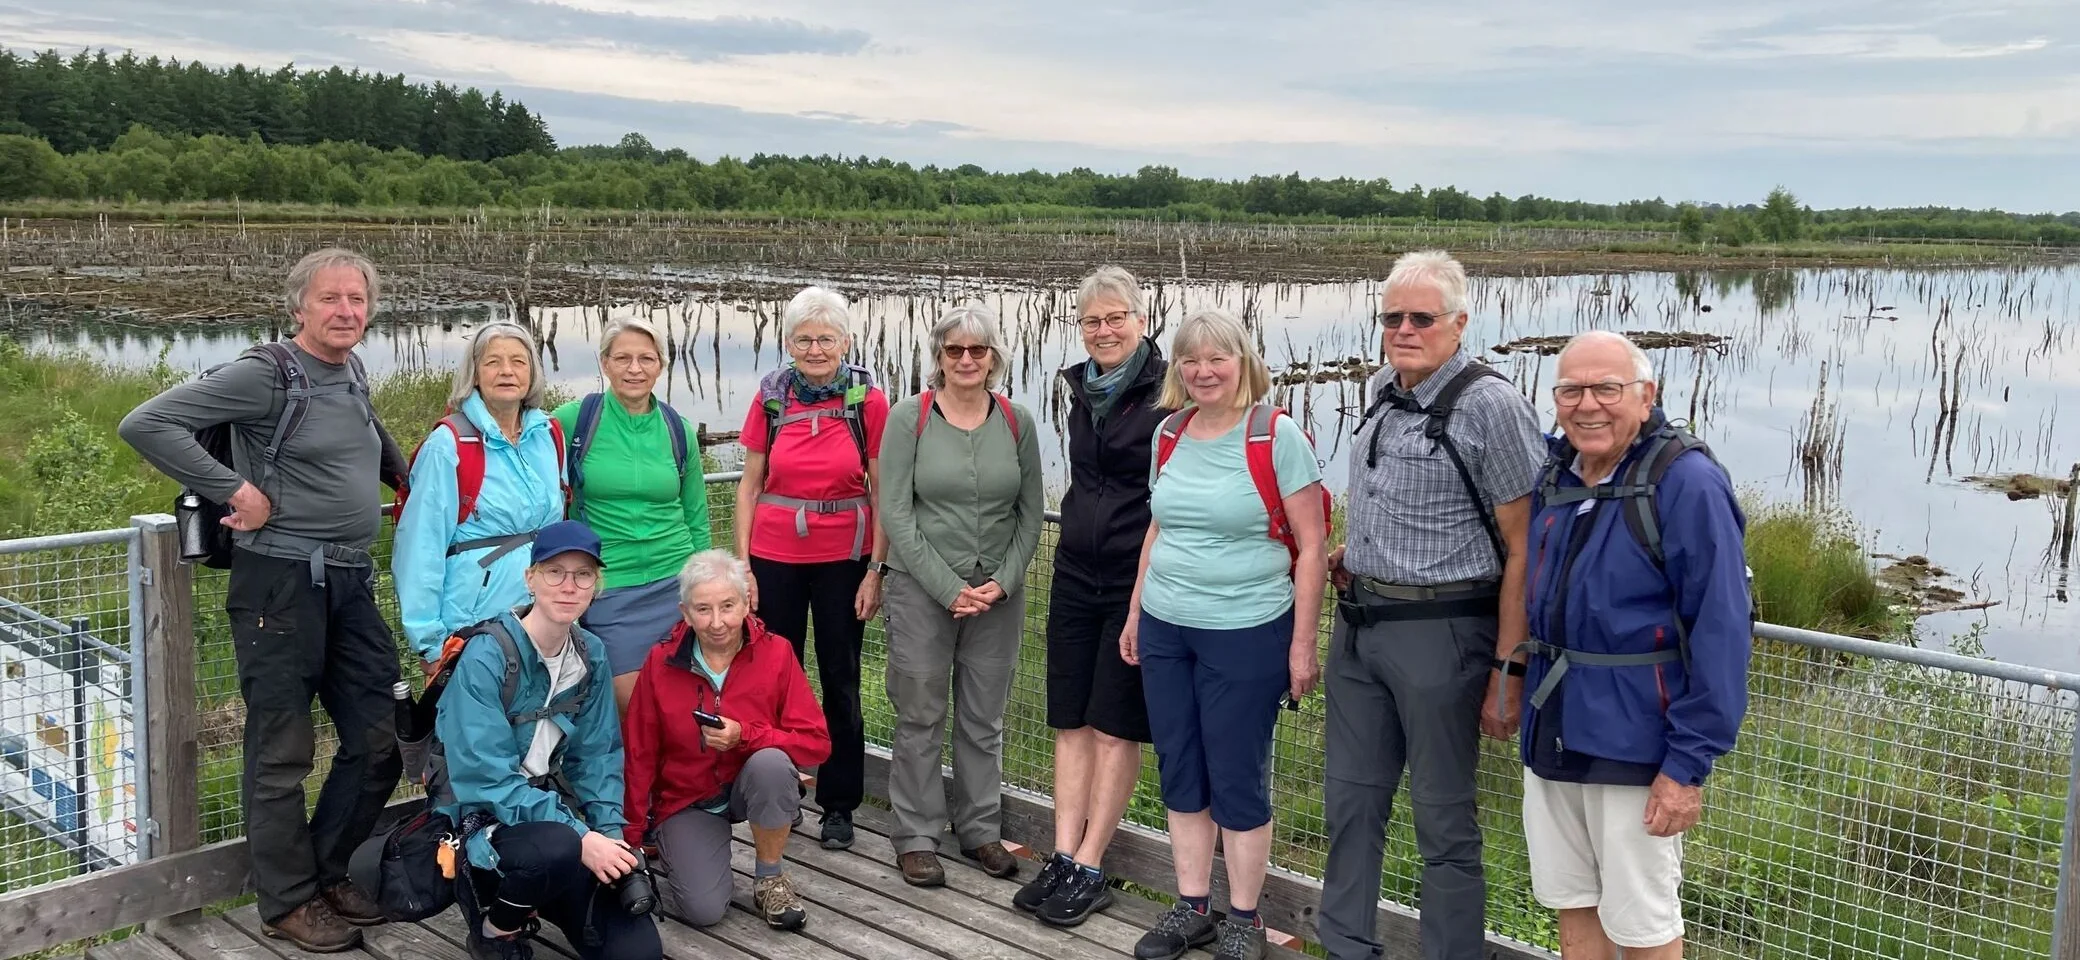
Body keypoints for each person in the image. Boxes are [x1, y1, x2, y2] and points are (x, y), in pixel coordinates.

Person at [119, 248, 407, 952]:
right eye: (330, 299)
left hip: (347, 578)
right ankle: (285, 902)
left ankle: (328, 872)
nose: (346, 311)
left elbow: (363, 427)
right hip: (277, 583)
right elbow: (146, 423)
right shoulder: (264, 374)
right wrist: (234, 490)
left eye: (357, 300)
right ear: (298, 307)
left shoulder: (352, 368)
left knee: (381, 737)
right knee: (282, 749)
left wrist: (406, 475)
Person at [1318, 250, 1547, 960]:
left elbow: (1525, 548)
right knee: (1351, 805)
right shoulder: (1385, 386)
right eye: (1393, 317)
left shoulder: (1493, 406)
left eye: (1422, 317)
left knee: (1443, 820)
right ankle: (1347, 948)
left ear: (1460, 321)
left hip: (1444, 636)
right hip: (1360, 630)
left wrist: (1508, 671)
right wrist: (1356, 553)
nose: (1404, 329)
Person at [1509, 331, 1749, 960]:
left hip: (1638, 740)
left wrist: (1688, 764)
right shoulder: (1555, 472)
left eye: (1606, 389)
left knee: (1643, 923)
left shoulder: (1686, 482)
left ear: (1647, 396)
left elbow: (1721, 629)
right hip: (1554, 726)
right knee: (1573, 905)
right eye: (1571, 390)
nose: (1588, 404)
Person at [1119, 307, 1326, 960]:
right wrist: (1134, 613)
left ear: (1243, 363)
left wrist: (1302, 643)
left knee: (1236, 775)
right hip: (1165, 625)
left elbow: (1315, 546)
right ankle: (1191, 907)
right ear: (1177, 369)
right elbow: (1159, 528)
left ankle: (1244, 917)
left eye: (1217, 358)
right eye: (1191, 359)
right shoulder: (1170, 434)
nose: (1204, 370)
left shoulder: (1275, 435)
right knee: (1179, 766)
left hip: (1246, 630)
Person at [1015, 265, 1169, 926]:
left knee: (1114, 724)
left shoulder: (1169, 389)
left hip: (1139, 578)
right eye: (1092, 321)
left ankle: (1092, 862)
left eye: (1116, 318)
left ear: (1142, 319)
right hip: (1076, 569)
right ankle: (1062, 850)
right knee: (1069, 719)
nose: (1103, 331)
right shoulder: (1083, 390)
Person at [435, 520, 661, 960]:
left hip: (554, 818)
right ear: (530, 578)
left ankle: (549, 893)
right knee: (556, 847)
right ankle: (495, 928)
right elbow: (487, 780)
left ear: (596, 585)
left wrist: (610, 840)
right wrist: (581, 836)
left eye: (582, 575)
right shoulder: (488, 655)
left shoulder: (590, 653)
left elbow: (598, 755)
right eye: (554, 571)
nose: (568, 586)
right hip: (484, 819)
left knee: (638, 952)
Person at [877, 302, 1043, 888]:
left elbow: (1031, 514)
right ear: (939, 358)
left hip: (998, 595)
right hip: (922, 591)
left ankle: (980, 830)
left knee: (983, 717)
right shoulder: (908, 417)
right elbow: (894, 511)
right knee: (920, 713)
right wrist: (948, 588)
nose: (967, 359)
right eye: (955, 350)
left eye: (979, 350)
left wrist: (1006, 579)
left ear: (994, 357)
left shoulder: (1018, 421)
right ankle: (917, 834)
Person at [732, 286, 889, 853]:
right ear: (789, 342)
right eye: (804, 339)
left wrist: (877, 569)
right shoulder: (772, 397)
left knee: (841, 680)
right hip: (775, 557)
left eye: (826, 338)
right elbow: (749, 486)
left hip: (844, 560)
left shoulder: (866, 400)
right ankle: (780, 793)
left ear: (846, 341)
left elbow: (883, 488)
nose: (816, 349)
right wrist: (743, 567)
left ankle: (839, 803)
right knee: (776, 678)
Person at [622, 550, 832, 932]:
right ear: (685, 613)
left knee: (772, 762)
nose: (717, 622)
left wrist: (744, 736)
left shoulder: (777, 653)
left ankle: (770, 878)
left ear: (747, 603)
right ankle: (675, 847)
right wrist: (631, 838)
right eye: (703, 609)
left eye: (728, 606)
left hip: (750, 783)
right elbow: (639, 751)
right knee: (704, 910)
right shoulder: (660, 662)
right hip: (687, 797)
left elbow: (816, 743)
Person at [552, 317, 712, 712]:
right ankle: (630, 776)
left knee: (685, 701)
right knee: (631, 704)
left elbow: (696, 517)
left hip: (676, 582)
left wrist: (704, 586)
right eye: (622, 358)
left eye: (646, 358)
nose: (635, 369)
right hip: (610, 585)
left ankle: (679, 776)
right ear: (605, 363)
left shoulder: (678, 429)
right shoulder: (574, 421)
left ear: (661, 364)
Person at [394, 323, 566, 663]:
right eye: (493, 362)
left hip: (546, 613)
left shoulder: (548, 435)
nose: (506, 371)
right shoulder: (448, 446)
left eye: (518, 361)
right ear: (474, 374)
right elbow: (420, 546)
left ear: (532, 373)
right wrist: (430, 641)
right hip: (474, 622)